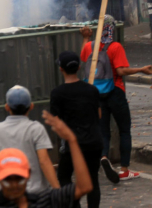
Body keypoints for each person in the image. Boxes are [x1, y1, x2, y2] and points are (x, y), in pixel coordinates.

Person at [0, 111, 93, 208]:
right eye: (8, 179)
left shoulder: (45, 200)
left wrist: (72, 140)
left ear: (28, 174)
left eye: (19, 179)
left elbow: (84, 187)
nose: (14, 185)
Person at [79, 15, 152, 181]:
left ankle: (104, 157)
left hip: (97, 94)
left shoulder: (91, 46)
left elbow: (84, 58)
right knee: (124, 130)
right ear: (111, 28)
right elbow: (120, 71)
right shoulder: (115, 47)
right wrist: (141, 69)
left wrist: (86, 38)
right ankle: (125, 169)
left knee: (104, 130)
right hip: (115, 92)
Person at [51, 51, 104, 207]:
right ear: (79, 67)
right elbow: (99, 114)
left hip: (73, 145)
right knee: (93, 178)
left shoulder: (57, 93)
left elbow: (55, 122)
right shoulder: (92, 90)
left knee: (64, 176)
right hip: (94, 141)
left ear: (61, 69)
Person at [0, 85, 59, 194]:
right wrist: (58, 190)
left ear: (7, 107)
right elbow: (44, 161)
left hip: (8, 193)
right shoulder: (36, 128)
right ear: (31, 106)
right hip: (36, 194)